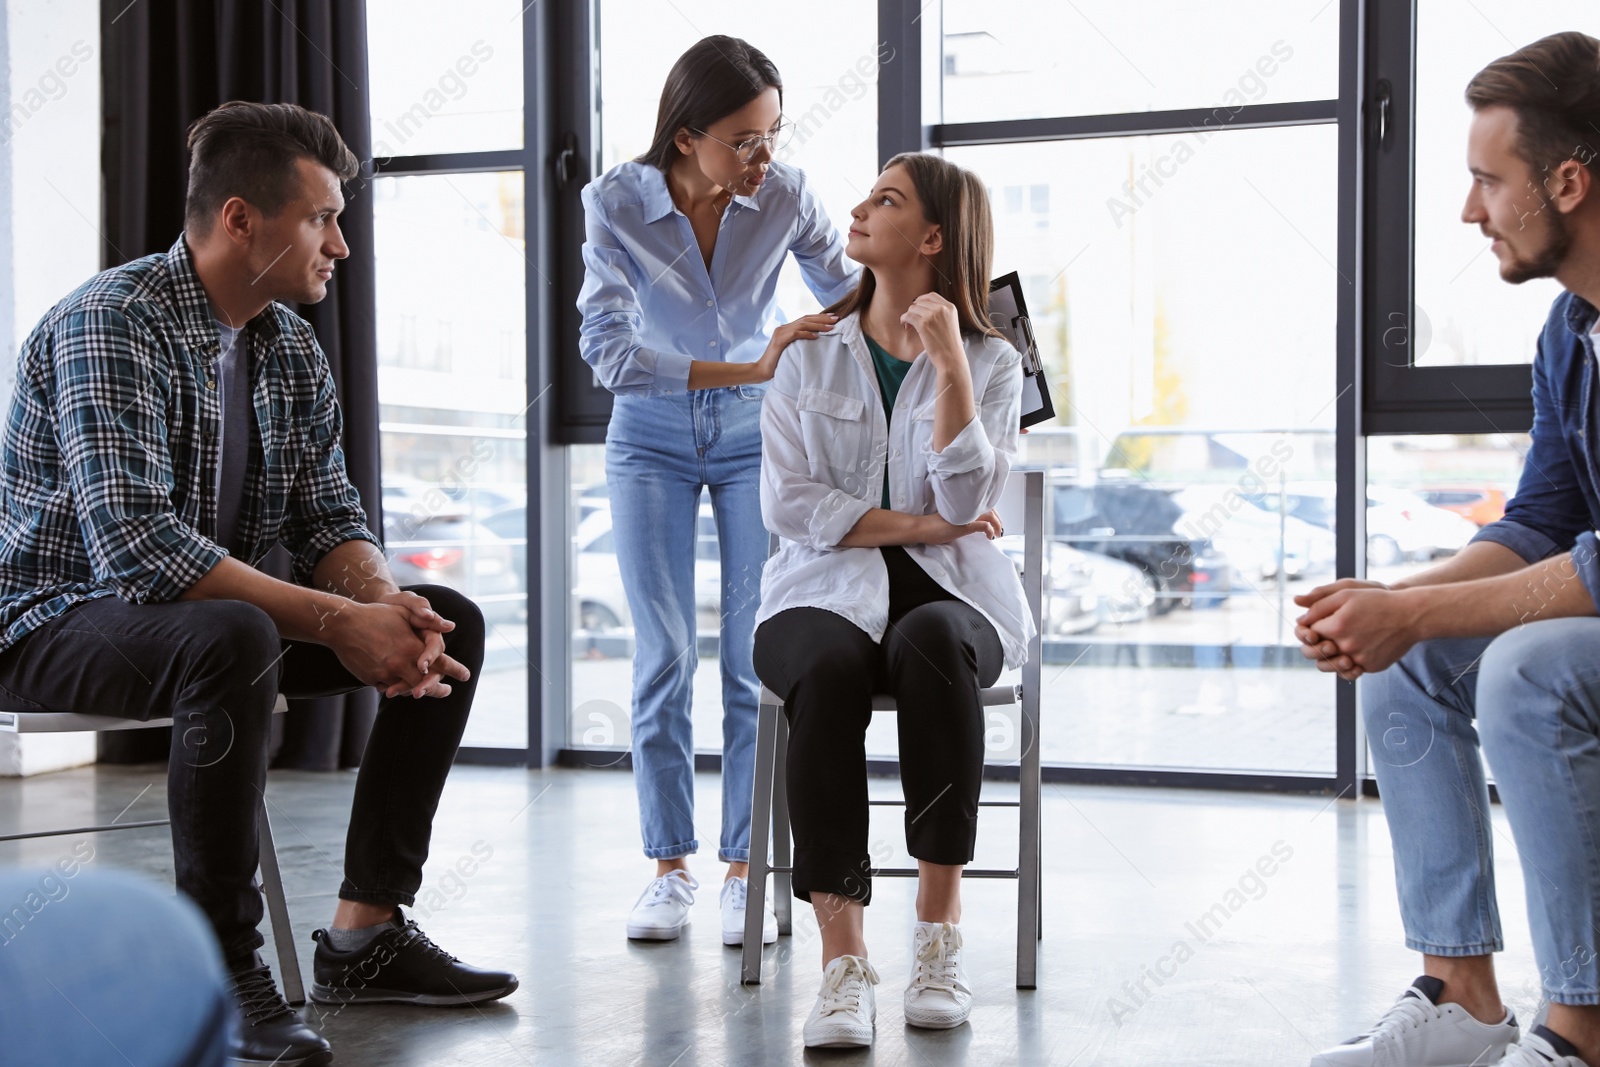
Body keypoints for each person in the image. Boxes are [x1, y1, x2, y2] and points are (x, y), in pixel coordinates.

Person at [0, 101, 517, 1067]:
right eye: (322, 218)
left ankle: (364, 935)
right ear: (242, 219)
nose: (343, 245)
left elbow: (328, 517)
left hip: (198, 627)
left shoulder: (286, 346)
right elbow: (140, 550)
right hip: (49, 622)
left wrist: (378, 605)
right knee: (233, 635)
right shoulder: (111, 322)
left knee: (451, 623)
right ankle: (223, 971)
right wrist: (337, 620)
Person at [1299, 32, 1600, 1067]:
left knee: (1523, 667)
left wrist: (1415, 610)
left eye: (1487, 180)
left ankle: (1582, 1027)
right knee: (1405, 659)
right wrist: (1389, 603)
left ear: (1565, 181)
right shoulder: (1570, 331)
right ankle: (1463, 993)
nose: (1469, 210)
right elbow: (1540, 520)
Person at [577, 35, 859, 946]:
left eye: (772, 134)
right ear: (687, 136)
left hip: (751, 441)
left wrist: (935, 305)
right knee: (662, 654)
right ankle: (669, 868)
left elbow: (849, 289)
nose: (763, 158)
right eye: (744, 141)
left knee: (749, 652)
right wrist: (750, 363)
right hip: (649, 438)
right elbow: (610, 353)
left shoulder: (785, 194)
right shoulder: (616, 200)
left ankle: (745, 866)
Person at [751, 152, 1032, 1049]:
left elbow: (964, 506)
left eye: (887, 199)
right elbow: (789, 505)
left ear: (934, 236)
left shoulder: (991, 360)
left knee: (931, 643)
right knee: (829, 666)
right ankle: (843, 965)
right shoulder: (807, 352)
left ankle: (938, 937)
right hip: (816, 590)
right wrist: (922, 526)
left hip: (957, 598)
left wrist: (950, 363)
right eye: (868, 193)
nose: (859, 208)